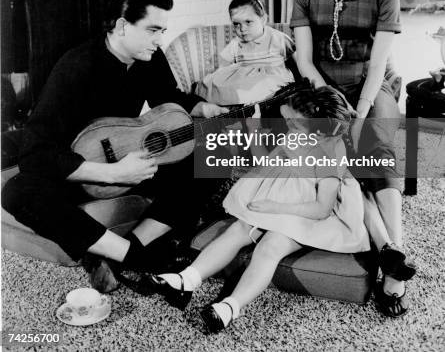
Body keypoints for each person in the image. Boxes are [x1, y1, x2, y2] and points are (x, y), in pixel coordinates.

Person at [1, 0, 227, 292]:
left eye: (163, 31)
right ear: (122, 26)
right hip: (79, 174)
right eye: (153, 30)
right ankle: (136, 257)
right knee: (17, 191)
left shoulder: (150, 56)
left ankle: (125, 249)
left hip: (132, 162)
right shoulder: (76, 66)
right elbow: (35, 153)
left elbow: (167, 97)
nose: (160, 40)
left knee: (216, 156)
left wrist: (203, 107)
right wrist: (112, 173)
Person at [144, 85, 402, 332]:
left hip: (309, 213)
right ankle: (187, 279)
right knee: (238, 230)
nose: (287, 127)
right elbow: (266, 162)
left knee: (270, 246)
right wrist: (254, 130)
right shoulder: (298, 133)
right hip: (282, 198)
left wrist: (273, 206)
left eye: (293, 123)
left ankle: (230, 307)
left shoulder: (329, 150)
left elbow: (322, 208)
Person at [290, 0, 415, 317]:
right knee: (338, 155)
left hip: (370, 83)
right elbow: (305, 63)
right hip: (321, 87)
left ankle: (394, 255)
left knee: (376, 139)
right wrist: (331, 102)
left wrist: (358, 111)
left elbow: (378, 66)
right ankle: (390, 253)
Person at [195, 0, 295, 105]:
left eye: (248, 22)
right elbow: (223, 66)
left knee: (266, 85)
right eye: (237, 24)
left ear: (263, 19)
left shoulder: (278, 38)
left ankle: (254, 104)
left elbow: (297, 61)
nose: (242, 29)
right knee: (220, 85)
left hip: (271, 77)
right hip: (244, 79)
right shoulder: (236, 43)